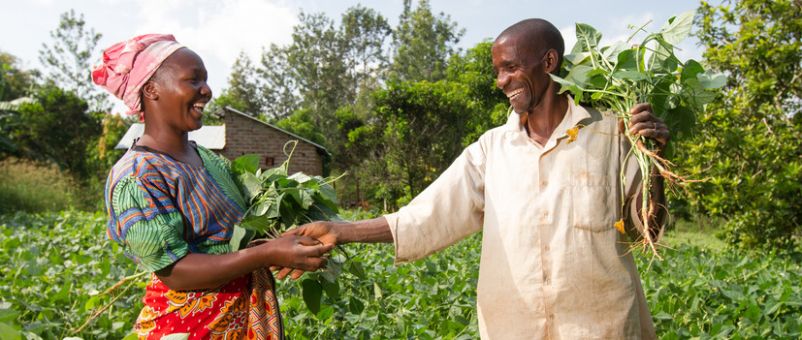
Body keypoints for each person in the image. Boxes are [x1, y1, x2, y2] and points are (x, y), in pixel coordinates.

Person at [285, 19, 669, 339]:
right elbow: (426, 216)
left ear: (549, 61)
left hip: (602, 329)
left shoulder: (612, 135)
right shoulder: (491, 150)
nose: (501, 81)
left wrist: (655, 158)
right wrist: (341, 230)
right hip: (515, 329)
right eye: (497, 71)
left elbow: (647, 229)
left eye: (510, 67)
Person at [94, 34, 333, 339]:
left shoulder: (207, 158)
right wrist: (268, 253)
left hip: (243, 313)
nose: (206, 91)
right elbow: (176, 273)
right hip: (188, 326)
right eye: (193, 80)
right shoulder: (137, 175)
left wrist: (289, 237)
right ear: (151, 89)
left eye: (205, 80)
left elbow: (241, 228)